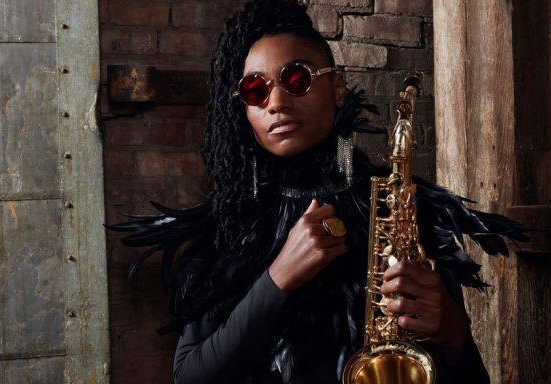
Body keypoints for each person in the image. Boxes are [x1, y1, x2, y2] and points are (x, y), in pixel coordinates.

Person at [110, 1, 526, 383]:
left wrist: (454, 333)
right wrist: (279, 278)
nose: (276, 102)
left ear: (338, 89)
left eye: (296, 79)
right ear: (245, 110)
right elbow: (191, 377)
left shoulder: (402, 206)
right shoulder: (230, 223)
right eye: (256, 90)